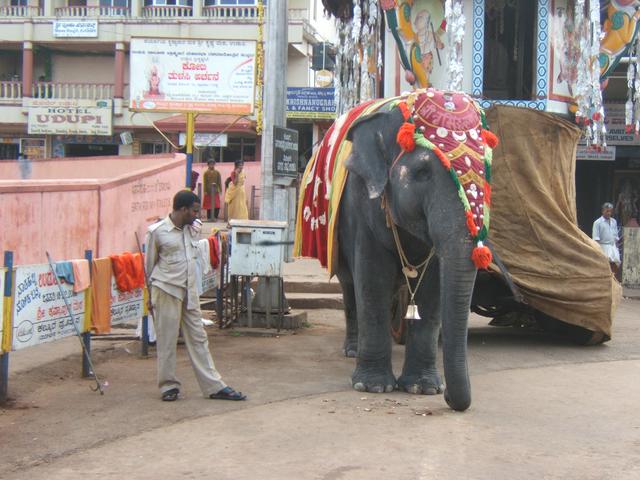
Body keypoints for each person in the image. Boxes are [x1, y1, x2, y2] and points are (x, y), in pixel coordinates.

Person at [145, 190, 246, 402]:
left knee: (199, 338)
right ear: (183, 210)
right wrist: (149, 297)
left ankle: (214, 386)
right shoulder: (157, 232)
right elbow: (149, 267)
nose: (197, 214)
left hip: (189, 291)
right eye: (194, 210)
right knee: (167, 340)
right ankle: (168, 386)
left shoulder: (193, 229)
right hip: (166, 290)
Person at [592, 202, 621, 276]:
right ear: (603, 211)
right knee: (604, 267)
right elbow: (596, 238)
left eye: (610, 211)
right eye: (607, 211)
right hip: (603, 246)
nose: (609, 213)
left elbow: (616, 236)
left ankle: (613, 282)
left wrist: (616, 249)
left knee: (615, 266)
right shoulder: (597, 223)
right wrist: (598, 251)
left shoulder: (614, 221)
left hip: (612, 246)